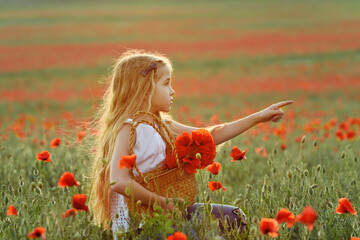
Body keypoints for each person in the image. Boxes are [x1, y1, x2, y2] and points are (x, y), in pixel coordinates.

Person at [87, 49, 293, 239]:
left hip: (170, 209)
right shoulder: (127, 128)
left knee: (234, 218)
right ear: (145, 87)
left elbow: (212, 135)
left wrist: (260, 117)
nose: (173, 91)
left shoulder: (163, 125)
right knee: (200, 233)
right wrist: (163, 203)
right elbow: (118, 181)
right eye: (166, 83)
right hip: (143, 222)